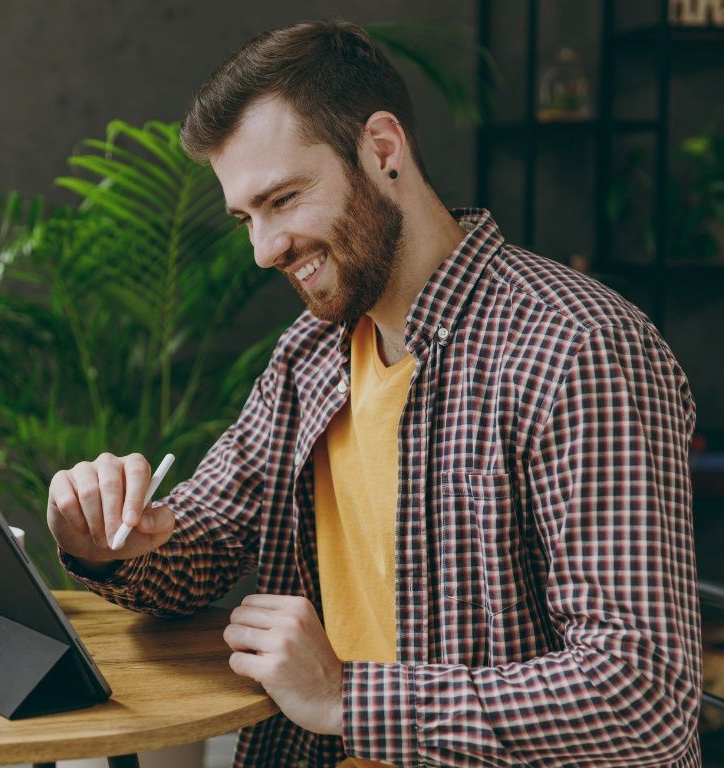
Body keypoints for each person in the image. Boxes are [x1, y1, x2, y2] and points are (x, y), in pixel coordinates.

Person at [45, 20, 701, 767]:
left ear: (382, 151)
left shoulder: (577, 349)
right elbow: (202, 539)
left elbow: (642, 697)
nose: (264, 250)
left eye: (283, 199)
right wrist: (104, 540)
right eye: (246, 219)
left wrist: (345, 698)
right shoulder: (313, 354)